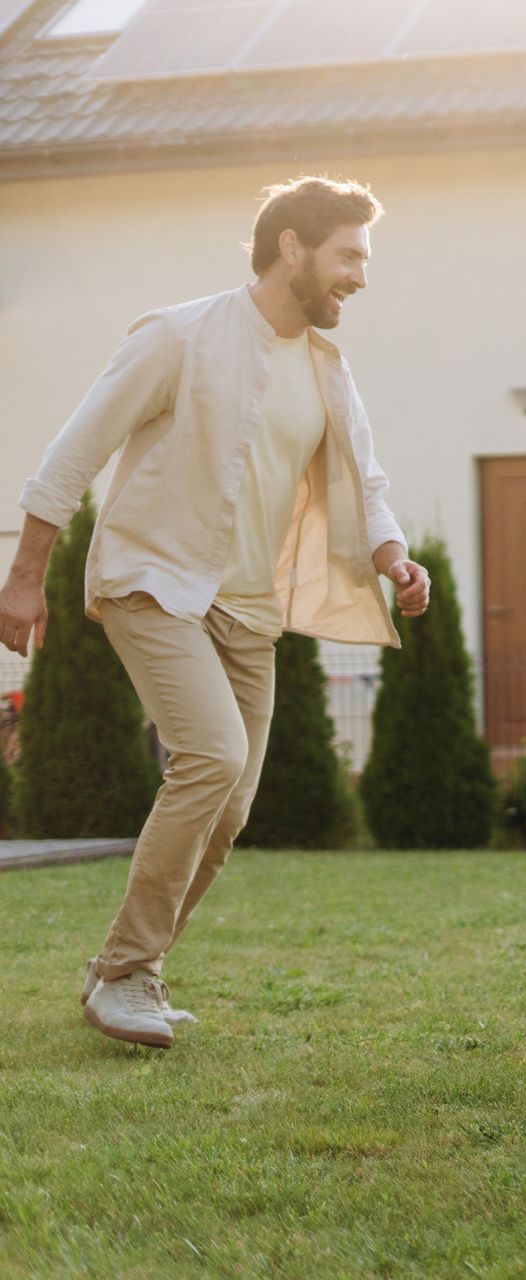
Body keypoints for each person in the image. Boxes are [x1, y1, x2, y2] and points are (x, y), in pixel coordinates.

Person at [0, 176, 430, 1050]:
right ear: (291, 249)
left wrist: (391, 557)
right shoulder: (179, 335)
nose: (360, 277)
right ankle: (125, 976)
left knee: (230, 805)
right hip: (152, 580)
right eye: (348, 256)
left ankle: (129, 968)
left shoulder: (325, 369)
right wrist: (24, 575)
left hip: (244, 606)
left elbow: (365, 482)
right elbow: (77, 448)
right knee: (211, 756)